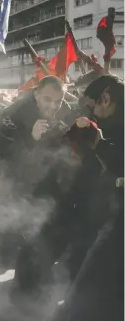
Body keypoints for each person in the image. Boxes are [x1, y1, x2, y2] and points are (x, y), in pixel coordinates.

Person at [51, 74, 124, 321]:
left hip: (117, 220)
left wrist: (97, 143)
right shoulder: (106, 121)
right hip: (104, 210)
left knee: (93, 283)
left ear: (106, 99)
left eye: (93, 104)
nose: (91, 110)